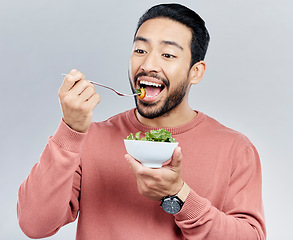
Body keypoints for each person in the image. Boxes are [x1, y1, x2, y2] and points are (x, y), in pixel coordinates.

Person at [17, 3, 266, 240]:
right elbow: (34, 224)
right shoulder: (90, 138)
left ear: (195, 72)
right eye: (140, 50)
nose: (148, 65)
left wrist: (179, 195)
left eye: (168, 54)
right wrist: (70, 130)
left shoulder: (235, 149)